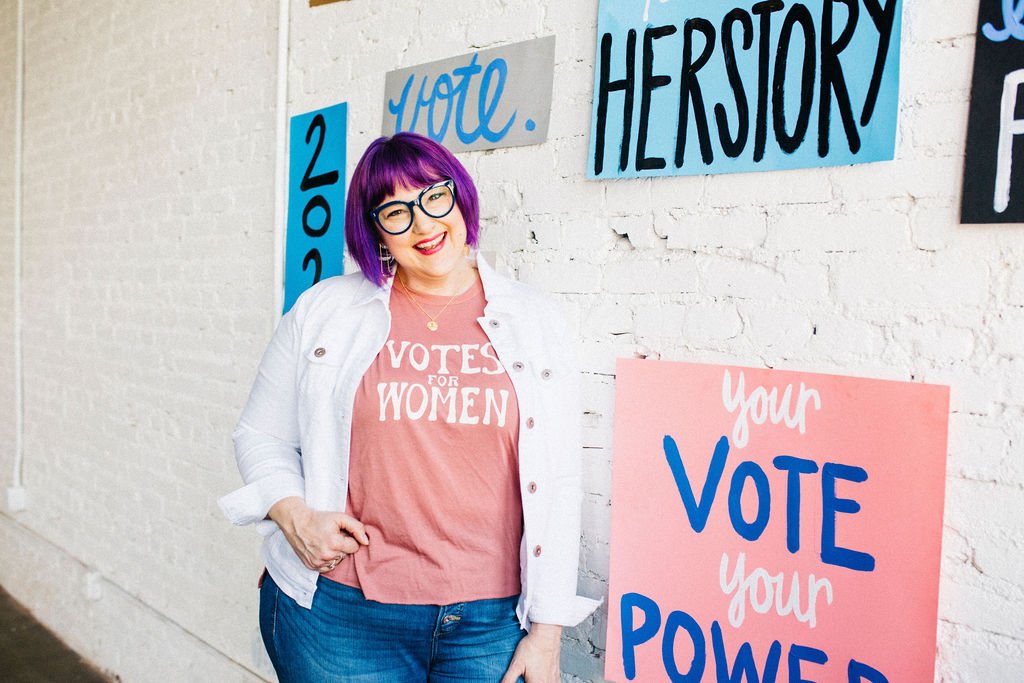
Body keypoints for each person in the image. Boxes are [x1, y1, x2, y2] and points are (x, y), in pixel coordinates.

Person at [219, 132, 599, 682]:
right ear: (374, 230)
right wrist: (294, 515)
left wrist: (547, 632)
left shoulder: (536, 322)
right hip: (341, 615)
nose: (423, 225)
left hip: (490, 623)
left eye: (433, 197)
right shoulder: (325, 311)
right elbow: (260, 435)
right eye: (395, 211)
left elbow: (560, 478)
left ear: (459, 197)